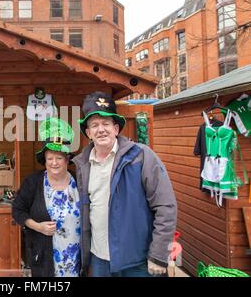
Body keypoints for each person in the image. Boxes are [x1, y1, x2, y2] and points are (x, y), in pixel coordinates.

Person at [72, 92, 177, 277]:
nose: (101, 129)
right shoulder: (83, 165)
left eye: (106, 124)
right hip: (99, 259)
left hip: (137, 260)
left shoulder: (141, 156)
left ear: (116, 129)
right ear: (88, 133)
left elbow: (166, 206)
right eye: (95, 125)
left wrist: (159, 254)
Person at [12, 118, 81, 277]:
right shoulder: (33, 182)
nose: (54, 163)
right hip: (43, 257)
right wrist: (37, 226)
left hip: (75, 258)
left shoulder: (79, 182)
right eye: (50, 158)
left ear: (67, 159)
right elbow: (18, 210)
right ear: (44, 160)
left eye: (59, 158)